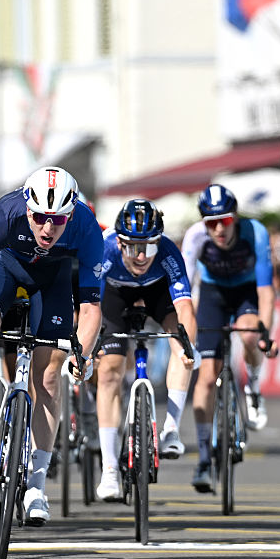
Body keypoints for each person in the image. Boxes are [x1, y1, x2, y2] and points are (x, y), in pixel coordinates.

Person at [0, 166, 103, 525]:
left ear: (71, 214)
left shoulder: (86, 227)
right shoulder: (5, 214)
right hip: (6, 274)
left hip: (52, 282)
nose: (47, 228)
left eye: (57, 220)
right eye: (39, 217)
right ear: (27, 207)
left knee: (50, 376)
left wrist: (81, 353)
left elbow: (90, 307)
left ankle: (37, 484)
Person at [94, 199, 198, 501]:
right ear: (120, 241)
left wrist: (186, 346)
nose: (140, 256)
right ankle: (110, 469)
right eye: (132, 247)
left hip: (156, 292)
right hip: (114, 295)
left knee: (181, 342)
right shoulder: (104, 249)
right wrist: (89, 348)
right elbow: (90, 308)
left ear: (158, 242)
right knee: (110, 372)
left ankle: (171, 431)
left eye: (149, 247)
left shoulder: (168, 252)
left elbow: (185, 309)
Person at [181, 184, 278, 492]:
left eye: (225, 220)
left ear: (235, 217)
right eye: (211, 222)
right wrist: (185, 331)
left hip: (246, 291)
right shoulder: (195, 236)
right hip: (212, 294)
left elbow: (266, 291)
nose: (219, 229)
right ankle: (205, 459)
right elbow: (183, 288)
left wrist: (265, 335)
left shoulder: (255, 232)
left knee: (250, 335)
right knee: (206, 378)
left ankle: (253, 385)